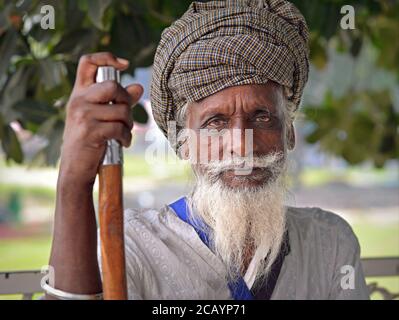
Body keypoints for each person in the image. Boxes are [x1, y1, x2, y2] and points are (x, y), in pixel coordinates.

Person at [45, 0, 370, 300]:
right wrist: (74, 183)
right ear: (184, 143)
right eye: (216, 122)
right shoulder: (132, 245)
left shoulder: (329, 242)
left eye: (262, 117)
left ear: (288, 134)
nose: (242, 146)